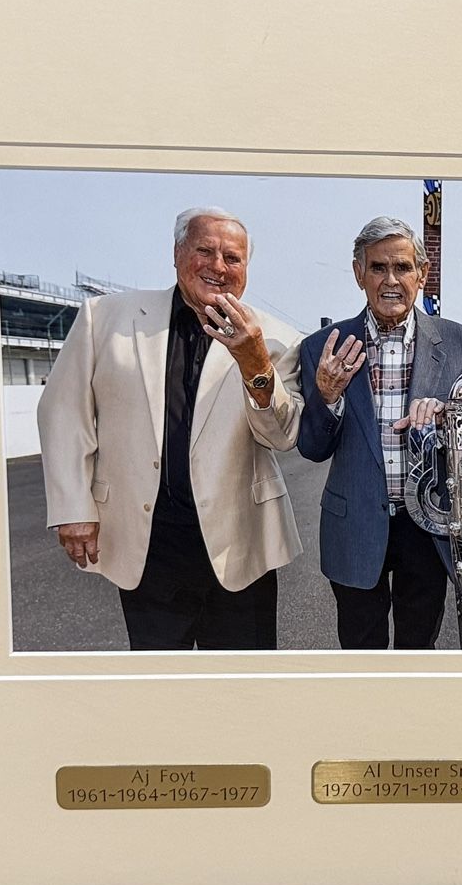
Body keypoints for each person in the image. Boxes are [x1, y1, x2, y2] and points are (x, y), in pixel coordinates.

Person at [36, 207, 304, 650]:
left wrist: (254, 360)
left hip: (241, 543)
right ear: (178, 254)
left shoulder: (276, 339)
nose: (218, 266)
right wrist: (73, 506)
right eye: (205, 250)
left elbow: (282, 435)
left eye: (233, 258)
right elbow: (63, 410)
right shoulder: (103, 318)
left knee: (243, 691)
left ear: (246, 269)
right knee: (159, 686)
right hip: (147, 544)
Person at [297, 217, 462, 648]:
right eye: (378, 268)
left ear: (422, 273)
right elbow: (312, 448)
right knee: (361, 652)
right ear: (359, 273)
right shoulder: (322, 346)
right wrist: (326, 396)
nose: (391, 280)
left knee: (418, 650)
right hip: (355, 523)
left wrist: (448, 419)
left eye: (402, 267)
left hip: (429, 526)